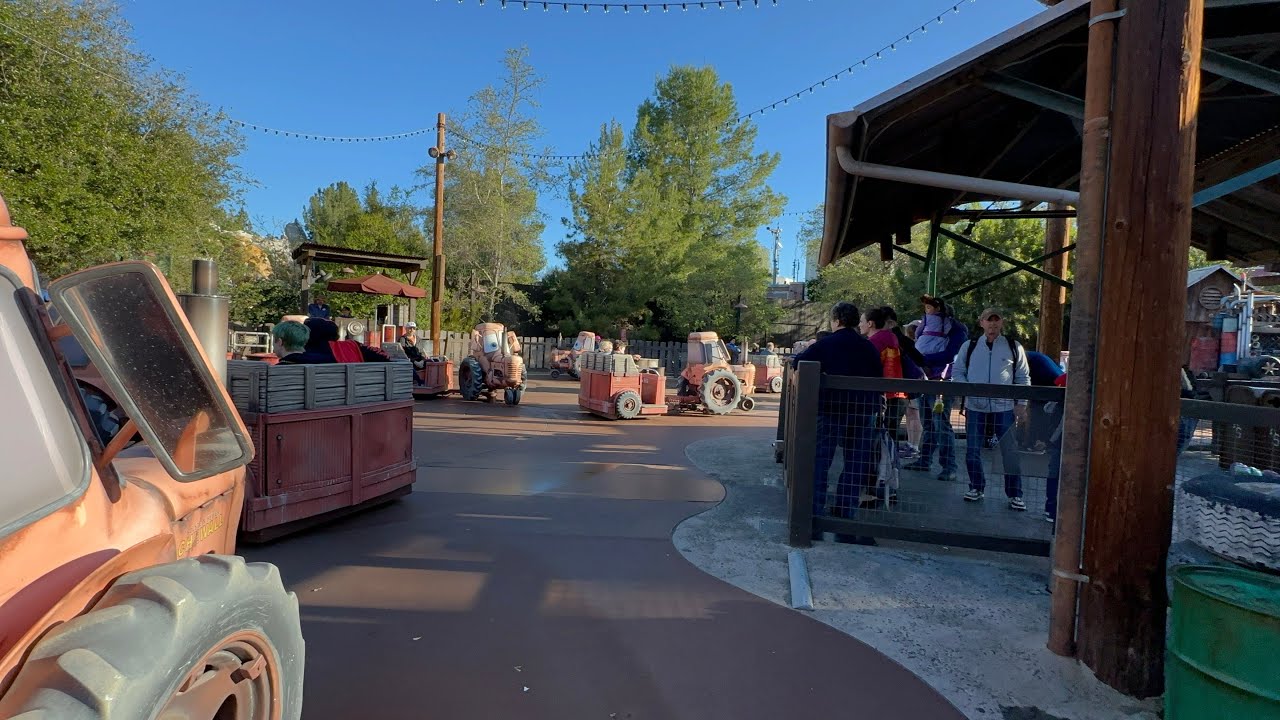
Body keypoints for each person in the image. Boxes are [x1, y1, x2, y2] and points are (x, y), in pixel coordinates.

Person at [792, 302, 883, 544]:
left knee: (820, 462)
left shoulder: (827, 344)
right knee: (854, 464)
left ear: (836, 321)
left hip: (831, 410)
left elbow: (798, 363)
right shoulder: (868, 347)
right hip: (863, 413)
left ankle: (815, 512)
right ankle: (845, 512)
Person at [952, 308, 1031, 511]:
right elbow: (958, 372)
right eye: (989, 320)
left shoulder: (1014, 347)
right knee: (972, 451)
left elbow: (1022, 377)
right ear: (981, 323)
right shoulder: (968, 347)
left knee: (1010, 452)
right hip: (975, 408)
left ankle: (1015, 494)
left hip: (1004, 408)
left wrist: (1021, 403)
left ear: (1002, 323)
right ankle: (976, 487)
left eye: (996, 321)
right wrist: (968, 392)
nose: (993, 325)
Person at [904, 303, 967, 482]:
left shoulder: (956, 331)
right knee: (929, 422)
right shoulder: (933, 328)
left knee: (941, 424)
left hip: (943, 380)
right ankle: (925, 460)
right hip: (928, 378)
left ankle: (949, 466)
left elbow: (952, 354)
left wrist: (923, 359)